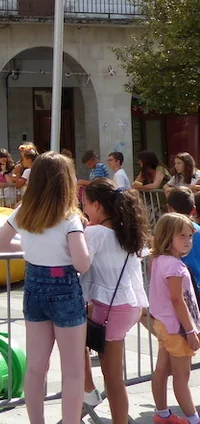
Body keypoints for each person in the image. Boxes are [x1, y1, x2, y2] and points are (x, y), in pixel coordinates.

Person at [0, 152, 90, 424]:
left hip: (34, 284)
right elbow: (82, 263)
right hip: (64, 287)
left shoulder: (24, 210)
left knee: (36, 367)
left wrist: (29, 248)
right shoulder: (69, 218)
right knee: (73, 371)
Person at [80, 178, 151, 424]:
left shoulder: (95, 232)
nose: (84, 210)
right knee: (112, 373)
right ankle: (88, 391)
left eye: (85, 204)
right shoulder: (125, 230)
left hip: (111, 307)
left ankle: (88, 390)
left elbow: (80, 264)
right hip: (127, 304)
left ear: (97, 205)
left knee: (112, 377)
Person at [147, 213, 200, 424]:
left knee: (162, 369)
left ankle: (162, 413)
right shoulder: (174, 266)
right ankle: (193, 419)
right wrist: (190, 331)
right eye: (182, 236)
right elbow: (177, 299)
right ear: (167, 236)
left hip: (164, 324)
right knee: (182, 375)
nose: (188, 241)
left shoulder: (158, 260)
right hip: (177, 328)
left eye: (190, 236)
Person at [165, 187, 200, 303]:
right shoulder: (198, 230)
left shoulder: (168, 233)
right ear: (193, 210)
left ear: (169, 209)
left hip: (182, 292)